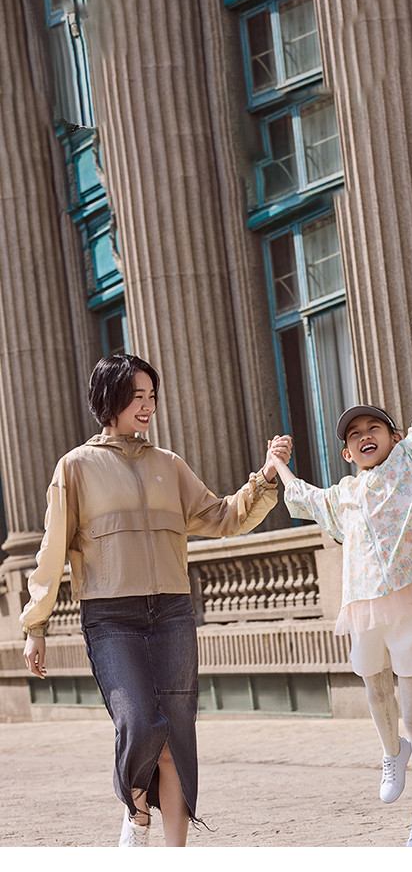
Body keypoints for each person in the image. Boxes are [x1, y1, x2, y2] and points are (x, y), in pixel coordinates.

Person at [21, 353, 291, 848]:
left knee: (176, 740)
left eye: (151, 397)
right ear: (109, 400)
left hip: (171, 612)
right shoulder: (75, 467)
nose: (146, 406)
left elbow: (222, 516)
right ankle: (137, 812)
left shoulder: (170, 465)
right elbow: (52, 548)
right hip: (111, 617)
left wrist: (266, 478)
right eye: (136, 397)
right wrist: (35, 625)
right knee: (140, 723)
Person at [267, 311, 412, 847]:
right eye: (355, 435)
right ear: (346, 453)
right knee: (374, 688)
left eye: (374, 429)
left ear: (394, 436)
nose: (365, 437)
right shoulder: (345, 494)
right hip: (365, 605)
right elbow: (305, 499)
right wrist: (278, 464)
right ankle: (391, 753)